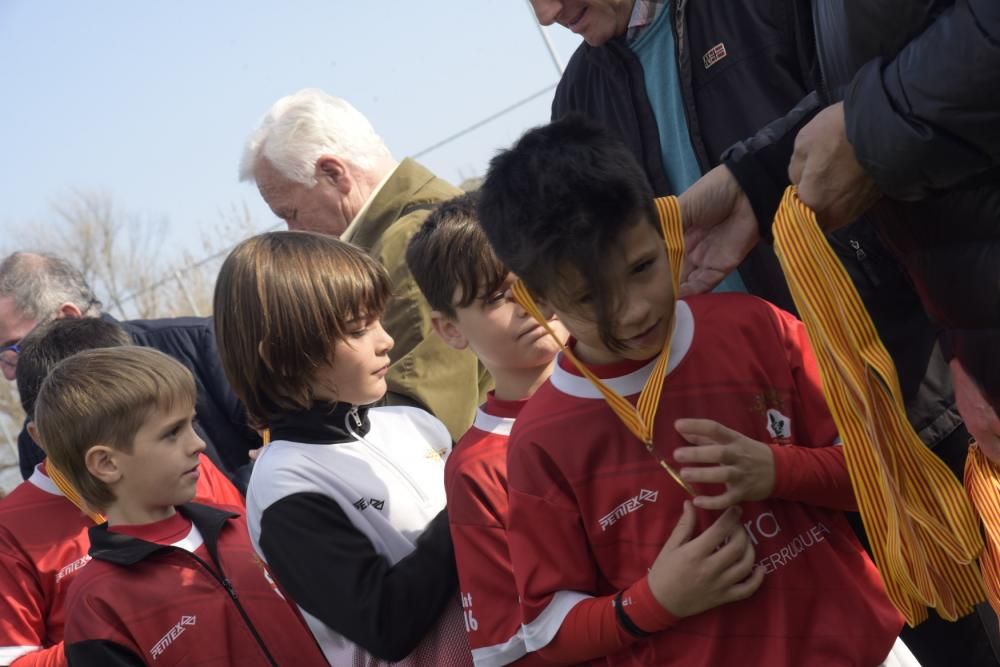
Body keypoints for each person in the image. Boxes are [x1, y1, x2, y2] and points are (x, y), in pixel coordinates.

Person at [475, 115, 910, 666]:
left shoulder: (757, 327)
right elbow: (546, 631)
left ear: (665, 228)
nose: (633, 310)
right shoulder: (541, 441)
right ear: (538, 297)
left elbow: (887, 472)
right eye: (590, 297)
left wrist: (779, 471)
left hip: (868, 651)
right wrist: (652, 602)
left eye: (642, 267)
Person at [212, 231, 470, 666]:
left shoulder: (415, 422)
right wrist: (471, 500)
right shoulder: (284, 483)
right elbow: (385, 623)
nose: (385, 340)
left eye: (378, 320)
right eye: (357, 329)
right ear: (282, 356)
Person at [33, 346, 326, 666]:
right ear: (106, 463)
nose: (198, 443)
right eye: (172, 433)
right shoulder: (97, 601)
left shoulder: (245, 525)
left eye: (192, 424)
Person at [239, 88, 490, 441]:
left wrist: (314, 439)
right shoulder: (432, 218)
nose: (293, 232)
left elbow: (426, 422)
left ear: (333, 173)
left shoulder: (406, 244)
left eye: (291, 213)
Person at [0, 318, 243, 667]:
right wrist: (126, 630)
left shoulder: (187, 468)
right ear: (40, 436)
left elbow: (251, 557)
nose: (194, 444)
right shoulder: (10, 531)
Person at [406, 194, 569, 666]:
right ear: (450, 329)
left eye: (536, 272)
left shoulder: (638, 375)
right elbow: (508, 648)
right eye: (497, 296)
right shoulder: (477, 470)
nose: (530, 302)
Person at [0, 251, 259, 486]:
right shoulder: (37, 442)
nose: (9, 373)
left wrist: (228, 521)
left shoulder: (201, 344)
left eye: (14, 348)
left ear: (67, 317)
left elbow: (282, 441)